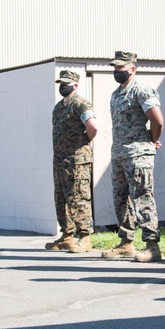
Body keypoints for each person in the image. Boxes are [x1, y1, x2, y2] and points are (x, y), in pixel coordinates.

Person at [102, 51, 164, 262]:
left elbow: (157, 121)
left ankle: (152, 246)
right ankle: (126, 243)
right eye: (115, 68)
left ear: (132, 69)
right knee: (121, 199)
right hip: (119, 153)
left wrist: (150, 140)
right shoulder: (116, 94)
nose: (117, 71)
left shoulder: (142, 90)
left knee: (143, 198)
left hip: (138, 154)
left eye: (121, 68)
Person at [45, 70, 98, 253]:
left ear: (75, 85)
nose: (63, 86)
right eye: (61, 83)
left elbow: (93, 127)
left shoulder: (80, 104)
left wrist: (82, 142)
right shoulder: (59, 107)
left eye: (66, 83)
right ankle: (67, 236)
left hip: (77, 161)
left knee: (78, 197)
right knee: (61, 199)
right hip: (60, 161)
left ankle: (84, 237)